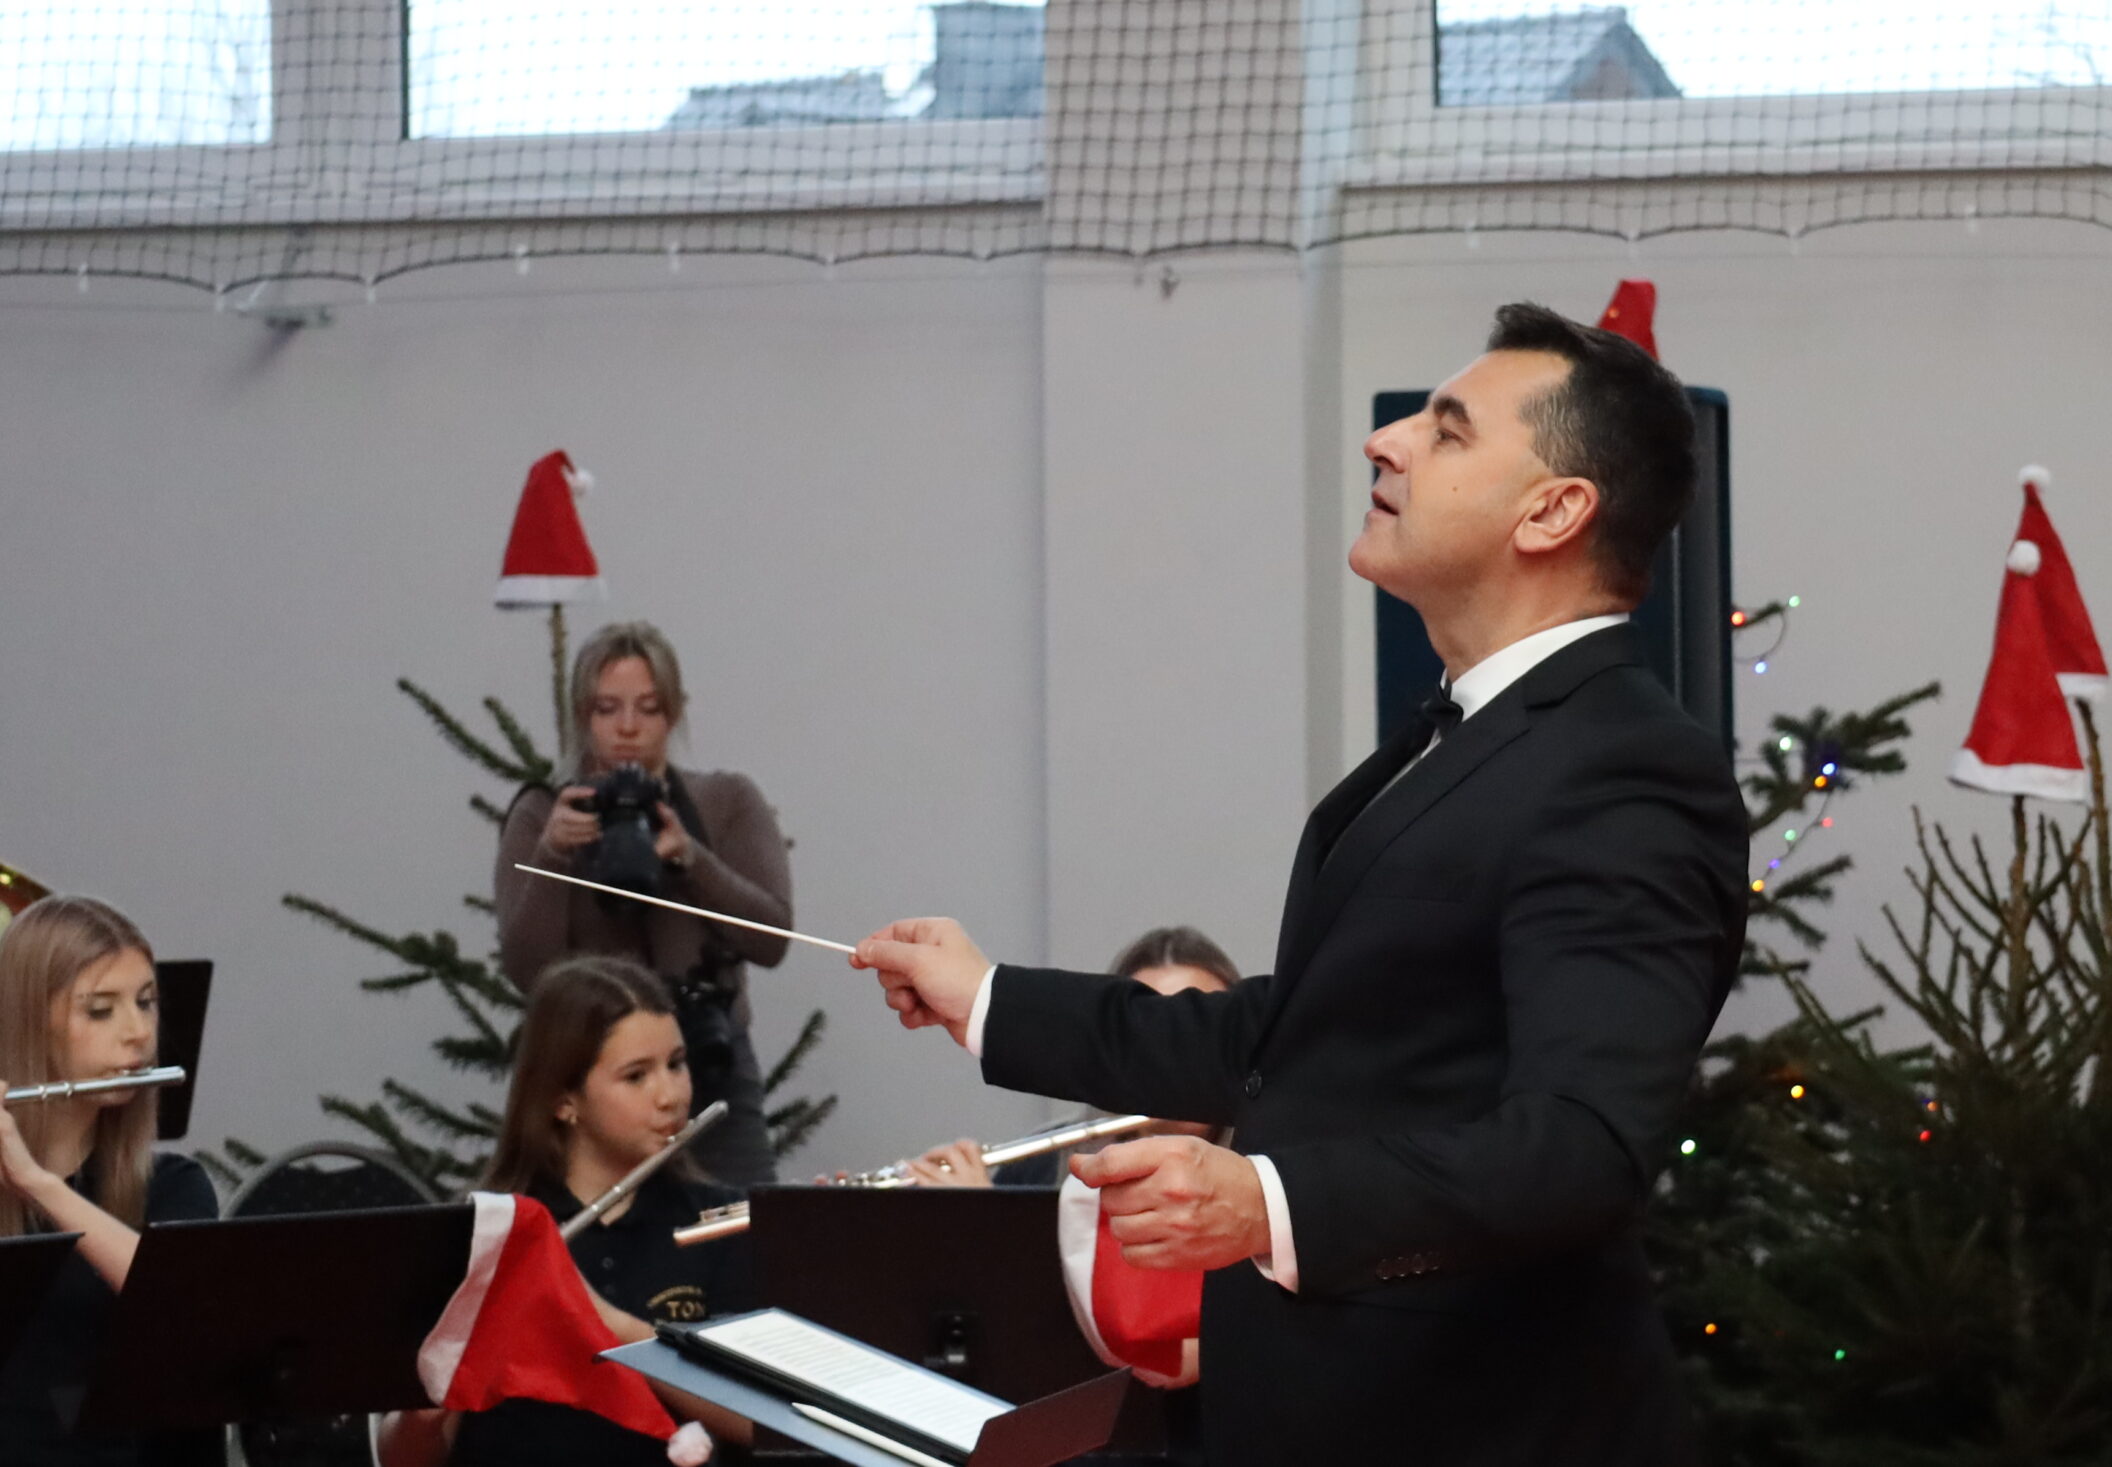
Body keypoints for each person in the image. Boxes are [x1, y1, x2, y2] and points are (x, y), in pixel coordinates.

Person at [856, 304, 1749, 1466]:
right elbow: (1301, 1038)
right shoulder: (1470, 733)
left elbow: (1579, 1149)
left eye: (1447, 430)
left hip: (1474, 1425)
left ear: (1552, 511)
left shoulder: (1623, 764)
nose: (1386, 442)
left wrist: (1266, 1203)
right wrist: (987, 999)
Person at [376, 956, 751, 1467]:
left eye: (676, 1064)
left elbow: (755, 1420)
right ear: (563, 1100)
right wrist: (425, 1413)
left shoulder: (720, 1221)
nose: (670, 1095)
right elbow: (404, 1458)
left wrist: (609, 1323)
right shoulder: (486, 1232)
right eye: (636, 1076)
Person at [495, 622, 792, 1185]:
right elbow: (525, 969)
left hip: (710, 1061)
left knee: (743, 1226)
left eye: (648, 708)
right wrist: (553, 853)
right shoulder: (544, 814)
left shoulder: (725, 801)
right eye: (607, 709)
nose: (627, 727)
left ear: (673, 713)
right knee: (601, 1231)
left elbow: (774, 938)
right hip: (592, 1077)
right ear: (582, 715)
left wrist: (692, 860)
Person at [0, 895, 221, 1467]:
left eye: (146, 1003)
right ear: (30, 1024)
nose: (138, 1032)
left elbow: (184, 1304)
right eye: (101, 1010)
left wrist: (37, 1183)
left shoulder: (173, 1187)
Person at [903, 925, 1241, 1189]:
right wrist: (979, 1217)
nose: (1175, 1058)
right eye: (1151, 1037)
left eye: (1198, 1033)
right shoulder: (1043, 1167)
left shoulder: (1267, 1162)